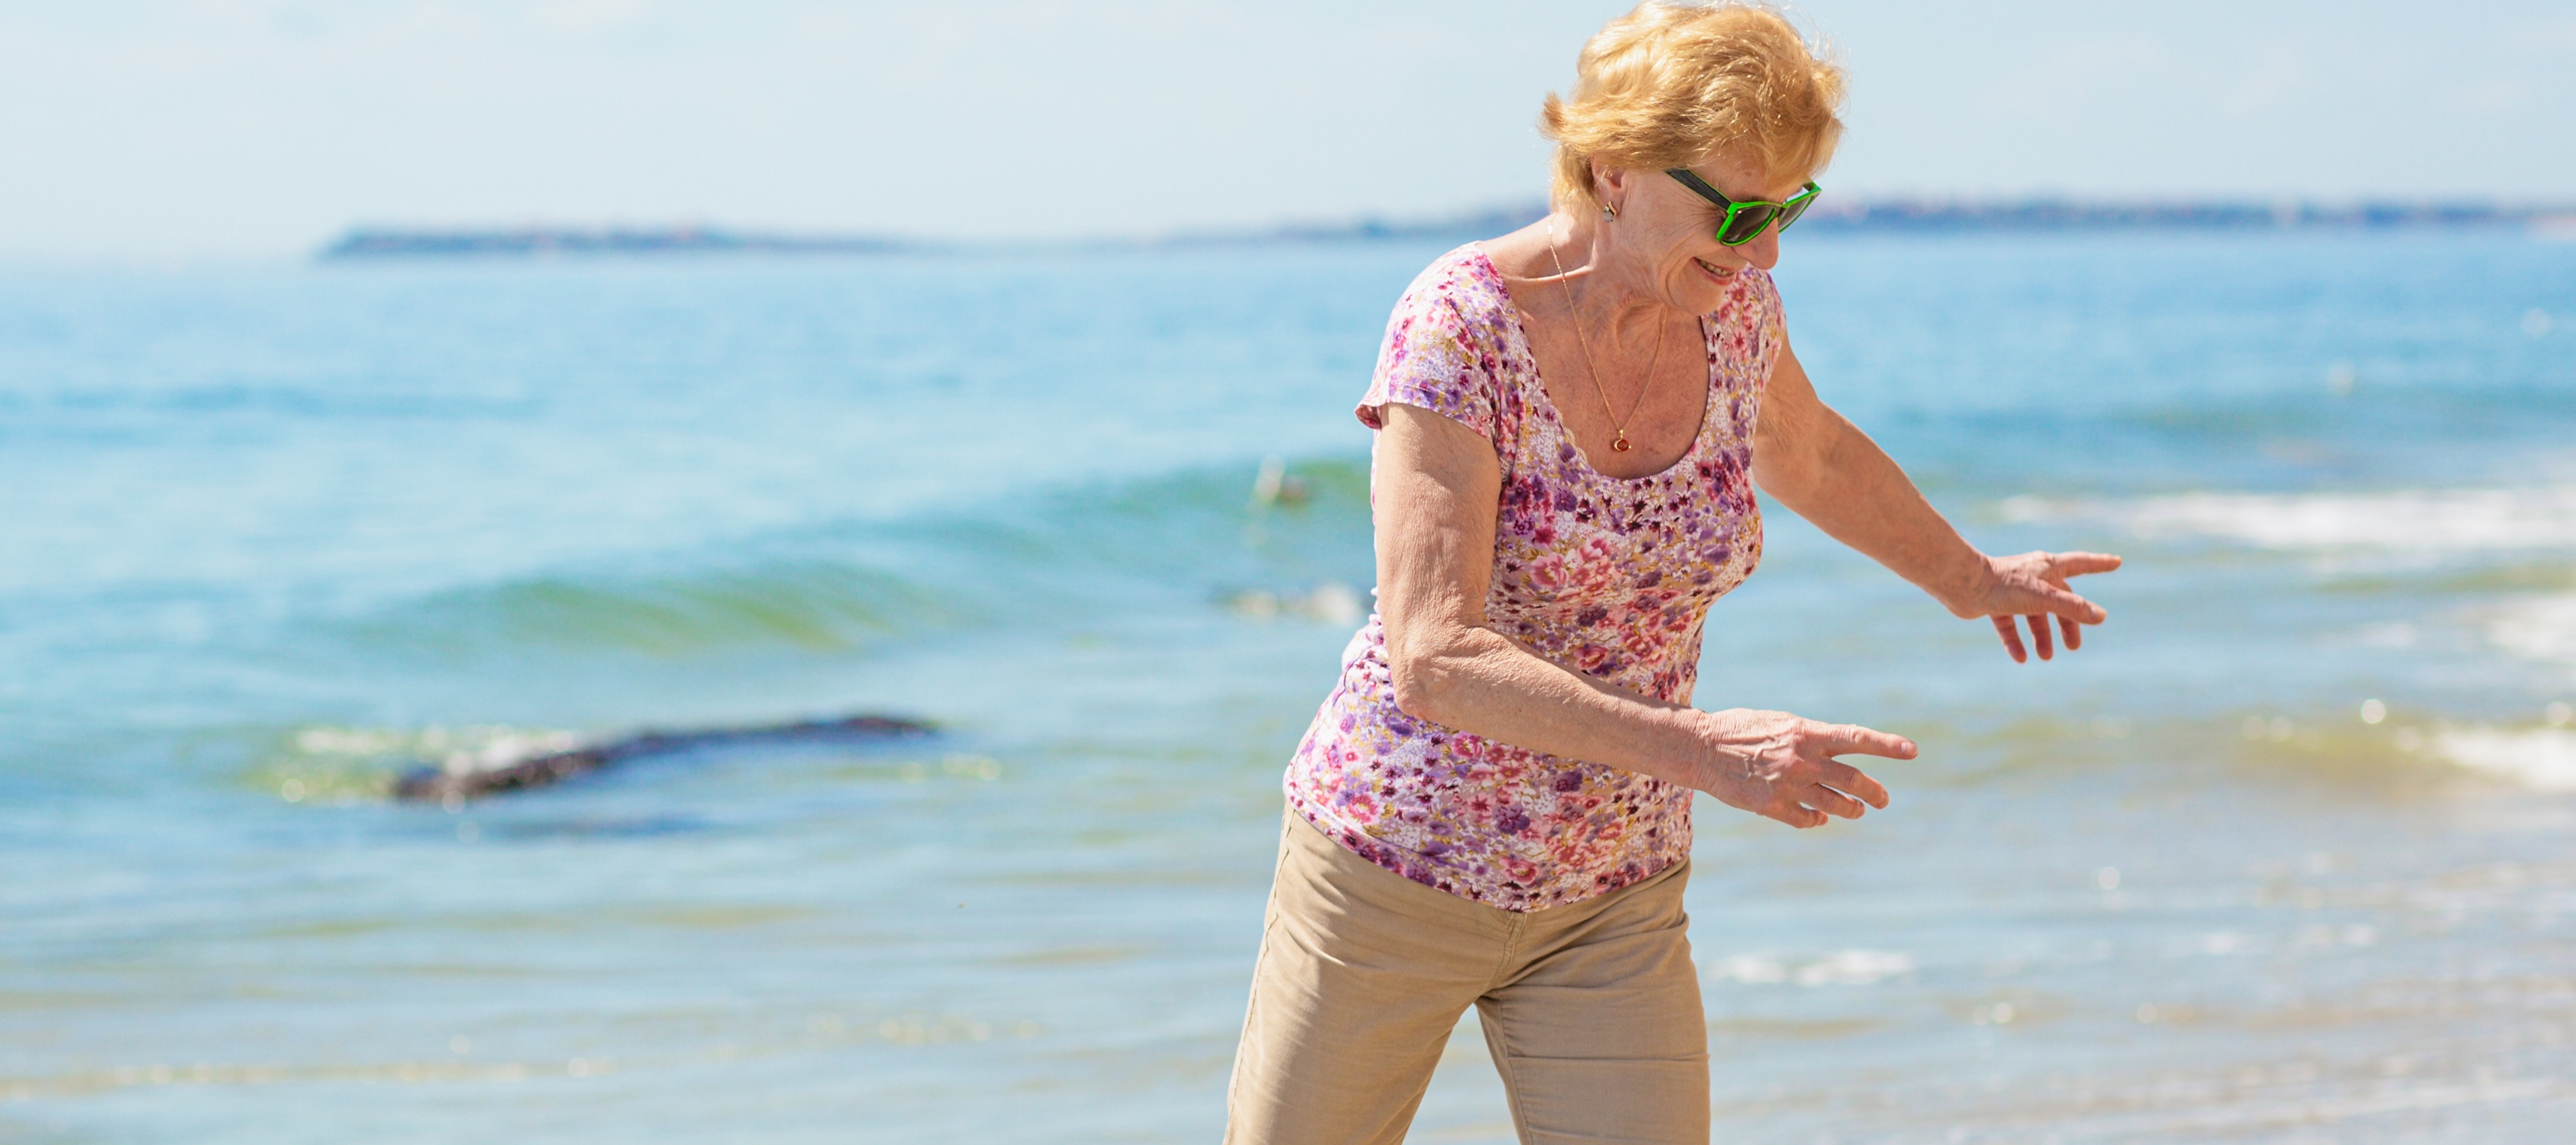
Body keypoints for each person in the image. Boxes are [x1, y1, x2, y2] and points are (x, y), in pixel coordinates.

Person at [1222, 3, 2123, 1142]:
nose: (1765, 250)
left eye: (1788, 208)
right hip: (1393, 871)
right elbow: (1435, 660)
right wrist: (1705, 751)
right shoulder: (1460, 325)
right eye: (1737, 211)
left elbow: (1813, 452)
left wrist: (1970, 576)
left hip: (1614, 894)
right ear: (1612, 166)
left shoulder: (1735, 311)